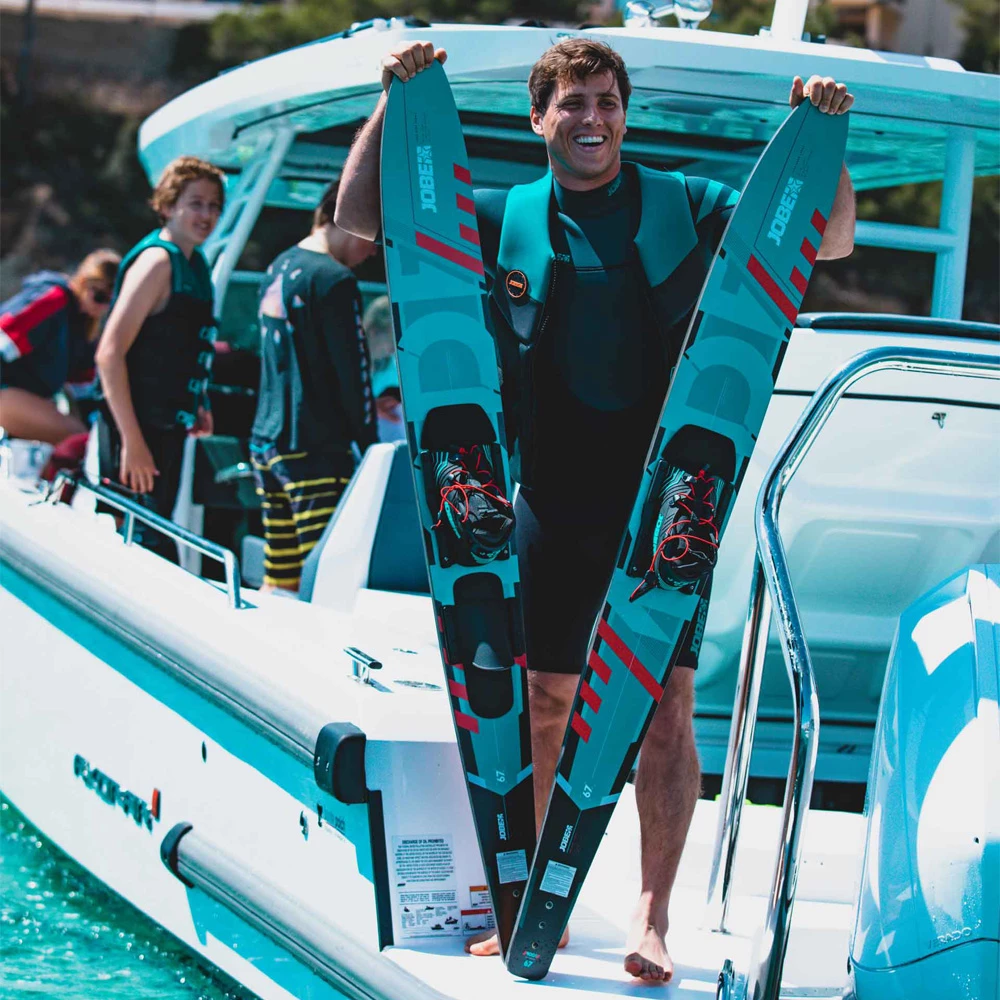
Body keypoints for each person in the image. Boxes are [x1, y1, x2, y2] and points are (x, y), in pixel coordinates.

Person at [336, 38, 856, 983]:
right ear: (539, 117)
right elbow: (362, 224)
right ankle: (546, 905)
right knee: (541, 702)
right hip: (548, 496)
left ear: (625, 113)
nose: (593, 119)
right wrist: (391, 104)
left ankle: (653, 920)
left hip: (669, 502)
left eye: (608, 101)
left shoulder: (689, 203)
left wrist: (825, 136)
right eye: (573, 103)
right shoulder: (503, 216)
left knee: (663, 709)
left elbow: (825, 240)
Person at [249, 183, 378, 593]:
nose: (374, 252)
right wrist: (370, 446)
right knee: (324, 581)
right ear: (350, 219)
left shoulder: (279, 266)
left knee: (281, 577)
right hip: (316, 452)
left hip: (269, 444)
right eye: (374, 235)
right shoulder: (334, 280)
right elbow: (353, 375)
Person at [95, 155, 223, 555]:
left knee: (156, 535)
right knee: (136, 544)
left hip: (167, 429)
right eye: (196, 203)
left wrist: (198, 401)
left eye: (214, 205)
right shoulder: (157, 262)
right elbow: (109, 354)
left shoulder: (195, 265)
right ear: (168, 206)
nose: (206, 215)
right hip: (134, 431)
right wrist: (132, 441)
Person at [0, 249, 120, 444]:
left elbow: (85, 388)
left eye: (110, 302)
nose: (102, 307)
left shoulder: (84, 327)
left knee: (91, 436)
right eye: (99, 297)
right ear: (83, 282)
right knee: (77, 437)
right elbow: (4, 339)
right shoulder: (53, 300)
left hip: (31, 397)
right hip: (5, 392)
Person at [362, 294, 405, 443]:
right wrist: (368, 408)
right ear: (373, 330)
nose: (394, 350)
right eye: (392, 341)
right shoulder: (344, 363)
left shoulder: (392, 366)